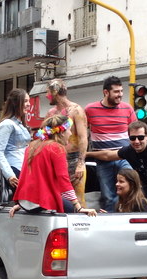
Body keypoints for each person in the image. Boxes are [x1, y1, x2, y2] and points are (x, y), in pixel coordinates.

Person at [9, 115, 97, 217]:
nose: (70, 133)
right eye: (69, 130)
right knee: (74, 212)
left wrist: (21, 204)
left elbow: (26, 176)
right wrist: (78, 206)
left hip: (25, 202)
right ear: (62, 132)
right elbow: (63, 179)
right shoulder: (56, 148)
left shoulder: (31, 146)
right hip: (40, 201)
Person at [85, 76, 136, 212]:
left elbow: (135, 132)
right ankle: (109, 222)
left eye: (121, 91)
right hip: (103, 161)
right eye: (116, 92)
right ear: (106, 92)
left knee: (131, 190)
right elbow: (82, 133)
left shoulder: (127, 109)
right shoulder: (90, 109)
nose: (120, 95)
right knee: (109, 197)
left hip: (124, 157)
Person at [45, 79, 88, 207]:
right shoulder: (50, 113)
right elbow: (45, 138)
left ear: (55, 91)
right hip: (56, 160)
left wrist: (81, 163)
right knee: (57, 199)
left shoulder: (76, 110)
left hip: (74, 160)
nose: (47, 96)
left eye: (48, 92)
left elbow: (83, 138)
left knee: (78, 201)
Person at [0, 88, 31, 189]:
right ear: (16, 103)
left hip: (25, 169)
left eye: (29, 101)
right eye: (25, 101)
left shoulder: (23, 125)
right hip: (15, 170)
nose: (29, 104)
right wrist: (9, 175)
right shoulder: (7, 124)